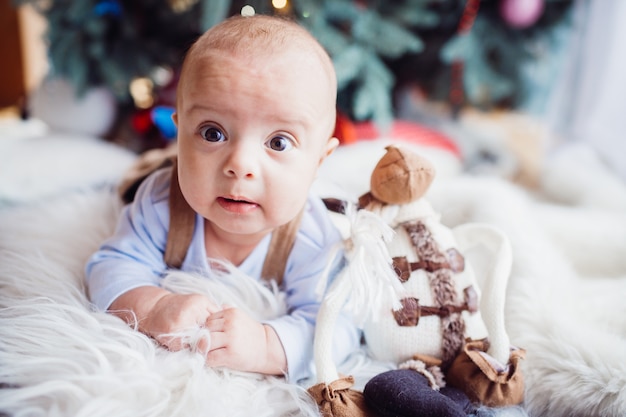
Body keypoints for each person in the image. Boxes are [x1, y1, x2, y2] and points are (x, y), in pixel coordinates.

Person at [85, 14, 360, 383]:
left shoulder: (313, 238)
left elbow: (336, 325)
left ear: (318, 162)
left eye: (278, 142)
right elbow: (111, 265)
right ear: (180, 133)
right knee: (133, 183)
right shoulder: (161, 203)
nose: (240, 165)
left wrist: (266, 345)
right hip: (161, 174)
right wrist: (153, 308)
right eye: (212, 133)